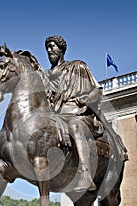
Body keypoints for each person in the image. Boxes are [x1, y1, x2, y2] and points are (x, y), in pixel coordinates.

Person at [44, 35, 105, 191]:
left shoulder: (77, 66)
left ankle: (85, 175)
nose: (50, 49)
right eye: (47, 47)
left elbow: (96, 90)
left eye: (53, 46)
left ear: (62, 48)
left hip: (77, 115)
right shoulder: (45, 76)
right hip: (55, 116)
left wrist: (86, 100)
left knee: (74, 126)